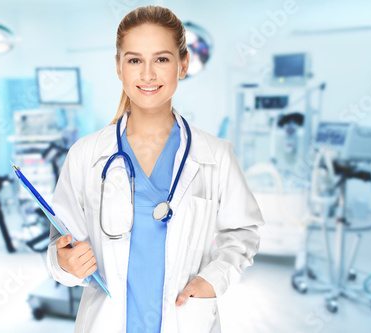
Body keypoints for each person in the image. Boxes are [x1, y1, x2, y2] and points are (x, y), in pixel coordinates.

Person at [46, 5, 264, 333]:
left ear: (183, 64)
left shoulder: (215, 155)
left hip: (186, 319)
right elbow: (60, 245)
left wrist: (212, 280)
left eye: (161, 59)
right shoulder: (85, 156)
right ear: (119, 67)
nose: (147, 74)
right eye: (134, 60)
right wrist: (64, 263)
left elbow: (243, 232)